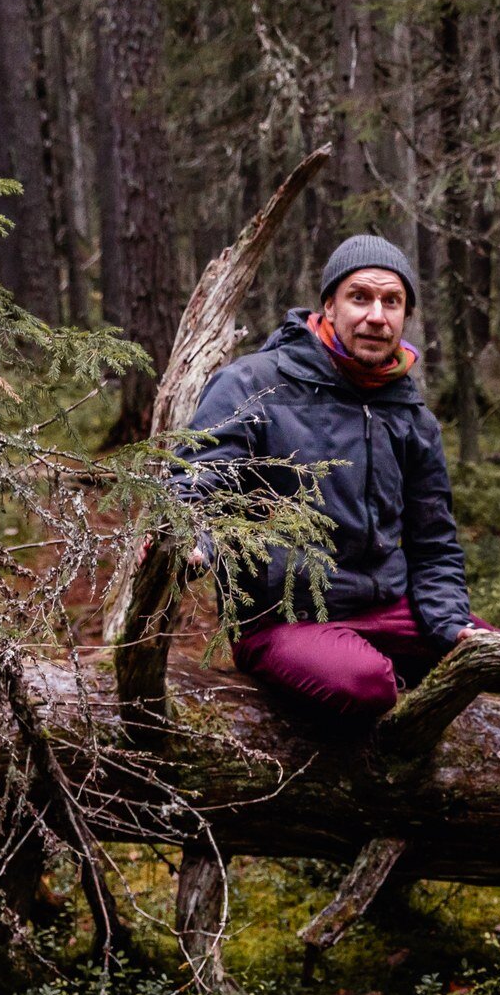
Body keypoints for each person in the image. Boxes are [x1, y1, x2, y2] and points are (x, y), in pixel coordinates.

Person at [177, 234, 482, 720]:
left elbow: (435, 542)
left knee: (498, 660)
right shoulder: (255, 384)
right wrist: (192, 541)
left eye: (392, 301)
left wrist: (450, 624)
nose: (376, 315)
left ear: (405, 316)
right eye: (359, 297)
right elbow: (200, 482)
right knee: (366, 685)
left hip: (382, 610)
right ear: (329, 307)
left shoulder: (409, 412)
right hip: (281, 619)